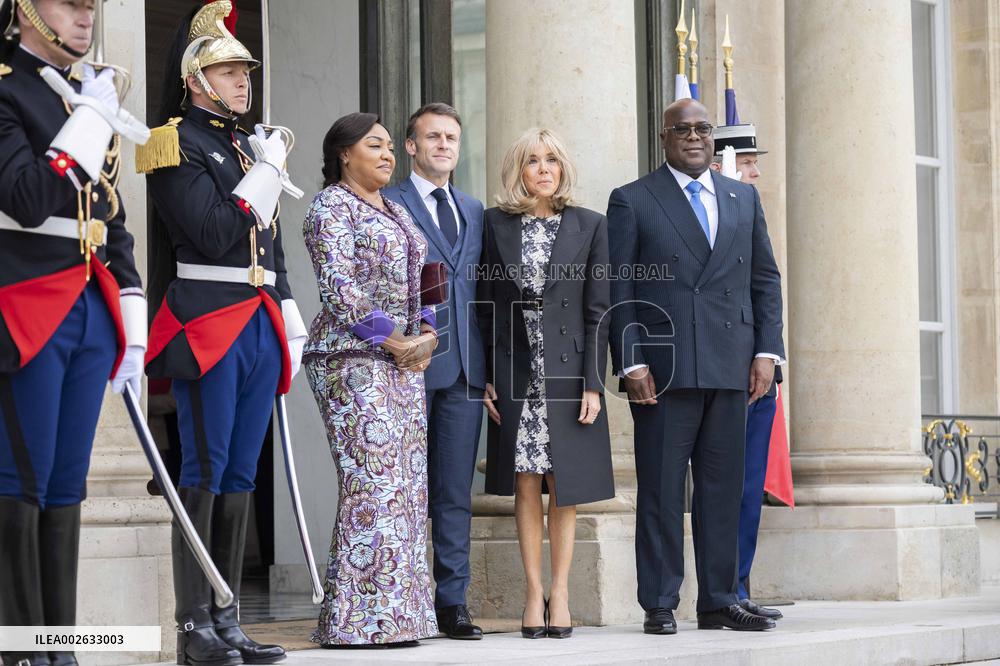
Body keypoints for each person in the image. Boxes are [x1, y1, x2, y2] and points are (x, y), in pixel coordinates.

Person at [137, 2, 306, 664]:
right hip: (208, 317)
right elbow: (209, 231)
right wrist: (264, 174)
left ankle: (229, 618)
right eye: (229, 71)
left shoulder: (244, 144)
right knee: (204, 470)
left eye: (245, 71)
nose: (243, 82)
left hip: (258, 317)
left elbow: (270, 238)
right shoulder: (175, 142)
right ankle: (193, 625)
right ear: (196, 78)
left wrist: (288, 304)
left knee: (241, 472)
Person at [0, 2, 146, 665]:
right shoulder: (7, 87)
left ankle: (60, 648)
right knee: (18, 479)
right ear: (27, 10)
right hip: (24, 300)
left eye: (91, 5)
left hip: (89, 302)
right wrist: (90, 116)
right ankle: (21, 650)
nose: (85, 16)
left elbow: (110, 217)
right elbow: (27, 198)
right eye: (68, 2)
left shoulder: (81, 97)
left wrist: (134, 323)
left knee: (66, 484)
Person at [607, 99, 784, 634]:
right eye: (681, 129)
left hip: (732, 367)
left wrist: (766, 354)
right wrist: (631, 360)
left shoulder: (742, 198)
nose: (693, 137)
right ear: (664, 138)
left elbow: (766, 281)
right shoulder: (633, 200)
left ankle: (719, 599)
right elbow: (620, 287)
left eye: (702, 128)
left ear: (714, 138)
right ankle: (659, 601)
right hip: (663, 372)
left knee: (722, 490)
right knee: (660, 491)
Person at [303, 112, 439, 647]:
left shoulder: (399, 209)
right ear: (344, 154)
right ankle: (358, 622)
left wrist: (428, 332)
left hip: (404, 363)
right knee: (373, 484)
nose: (388, 155)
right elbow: (339, 288)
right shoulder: (330, 206)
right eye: (375, 146)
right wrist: (394, 340)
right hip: (349, 360)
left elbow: (431, 274)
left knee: (405, 488)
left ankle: (397, 618)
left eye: (389, 148)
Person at [478, 128, 614, 639]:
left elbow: (598, 310)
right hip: (515, 366)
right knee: (524, 480)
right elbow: (485, 305)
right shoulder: (495, 225)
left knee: (565, 482)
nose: (543, 168)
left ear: (562, 169)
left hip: (569, 367)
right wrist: (487, 376)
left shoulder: (590, 225)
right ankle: (532, 594)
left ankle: (561, 592)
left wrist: (593, 383)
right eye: (533, 160)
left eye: (552, 159)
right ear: (519, 169)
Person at [382, 103, 486, 640]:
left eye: (451, 137)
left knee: (453, 492)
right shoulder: (387, 203)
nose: (444, 145)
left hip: (466, 372)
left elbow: (486, 296)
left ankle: (453, 603)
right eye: (433, 137)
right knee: (399, 489)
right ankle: (402, 601)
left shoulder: (475, 208)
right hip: (404, 368)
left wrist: (489, 371)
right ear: (411, 146)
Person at [709, 123, 784, 621]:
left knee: (749, 486)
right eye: (748, 162)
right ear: (722, 165)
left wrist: (770, 355)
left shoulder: (749, 211)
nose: (756, 171)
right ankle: (723, 590)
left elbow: (768, 286)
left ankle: (739, 585)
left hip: (757, 370)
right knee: (726, 487)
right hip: (716, 372)